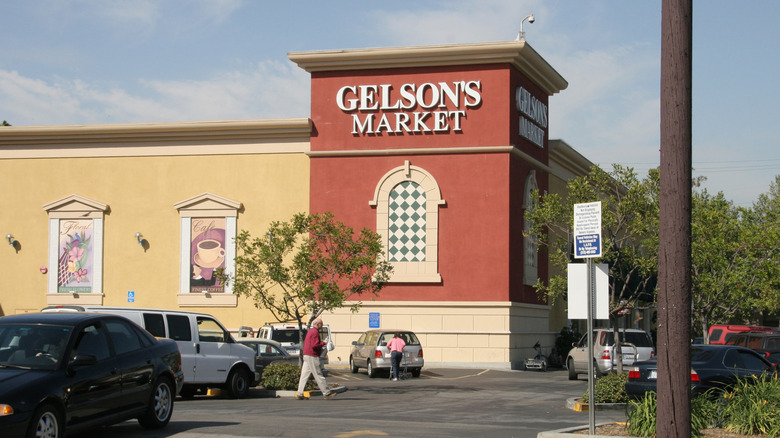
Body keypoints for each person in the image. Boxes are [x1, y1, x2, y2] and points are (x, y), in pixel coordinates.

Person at [296, 317, 337, 399]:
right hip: (312, 356)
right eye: (321, 324)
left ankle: (300, 393)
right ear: (317, 324)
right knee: (318, 374)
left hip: (306, 355)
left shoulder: (311, 331)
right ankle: (326, 393)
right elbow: (315, 345)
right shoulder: (315, 332)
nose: (322, 326)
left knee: (304, 375)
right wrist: (323, 343)